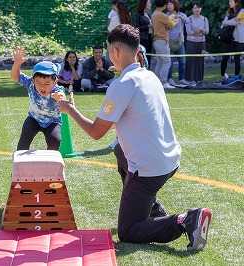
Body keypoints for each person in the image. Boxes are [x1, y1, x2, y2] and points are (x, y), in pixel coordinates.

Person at [58, 24, 212, 251]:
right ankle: (154, 209)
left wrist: (70, 110)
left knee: (128, 232)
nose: (110, 55)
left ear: (117, 52)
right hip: (170, 159)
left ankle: (186, 220)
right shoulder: (149, 76)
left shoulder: (122, 85)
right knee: (119, 149)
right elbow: (129, 119)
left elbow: (96, 132)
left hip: (150, 169)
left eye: (110, 51)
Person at [11, 46, 65, 151]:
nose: (42, 87)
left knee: (55, 141)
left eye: (47, 84)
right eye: (38, 83)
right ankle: (20, 164)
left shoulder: (56, 90)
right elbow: (15, 76)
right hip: (34, 118)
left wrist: (61, 98)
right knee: (24, 138)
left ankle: (51, 162)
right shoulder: (30, 84)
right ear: (33, 80)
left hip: (52, 121)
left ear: (55, 82)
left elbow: (61, 96)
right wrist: (17, 63)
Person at [166, 0, 190, 86]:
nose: (169, 6)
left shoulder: (181, 14)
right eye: (168, 4)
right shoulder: (166, 16)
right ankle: (170, 78)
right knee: (170, 62)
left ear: (175, 5)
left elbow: (187, 21)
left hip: (180, 42)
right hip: (169, 41)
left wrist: (180, 17)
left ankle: (181, 78)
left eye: (171, 4)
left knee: (182, 61)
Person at [152, 0, 175, 89]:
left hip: (157, 40)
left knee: (160, 62)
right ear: (164, 5)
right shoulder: (161, 15)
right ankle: (163, 82)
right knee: (166, 61)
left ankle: (157, 81)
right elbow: (171, 25)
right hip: (162, 41)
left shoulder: (154, 14)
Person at [184, 3, 209, 83]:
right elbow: (188, 32)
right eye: (195, 8)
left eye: (198, 8)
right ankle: (190, 79)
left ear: (201, 9)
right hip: (191, 42)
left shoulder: (204, 19)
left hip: (201, 42)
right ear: (192, 9)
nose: (197, 9)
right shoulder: (189, 19)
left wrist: (202, 30)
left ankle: (199, 79)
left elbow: (207, 31)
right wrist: (196, 32)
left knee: (200, 61)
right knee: (191, 60)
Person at [220, 0, 244, 81]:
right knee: (225, 58)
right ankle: (222, 76)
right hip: (228, 38)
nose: (229, 2)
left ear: (236, 3)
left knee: (237, 59)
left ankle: (237, 77)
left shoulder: (242, 11)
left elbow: (235, 23)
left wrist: (225, 22)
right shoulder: (228, 12)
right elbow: (222, 25)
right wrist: (231, 21)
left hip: (238, 39)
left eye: (231, 1)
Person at [134, 0, 154, 68]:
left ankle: (148, 70)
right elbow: (136, 28)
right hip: (142, 38)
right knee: (142, 55)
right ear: (144, 4)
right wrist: (147, 27)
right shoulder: (138, 15)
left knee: (148, 56)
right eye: (148, 2)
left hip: (149, 37)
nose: (150, 4)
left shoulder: (147, 14)